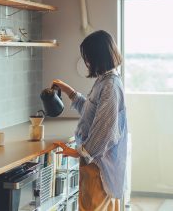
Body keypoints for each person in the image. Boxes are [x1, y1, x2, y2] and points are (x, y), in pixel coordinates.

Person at [53, 30, 128, 211]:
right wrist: (68, 90)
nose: (86, 62)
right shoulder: (105, 80)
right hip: (97, 165)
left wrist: (78, 152)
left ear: (97, 57)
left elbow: (104, 130)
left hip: (99, 168)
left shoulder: (110, 86)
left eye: (88, 57)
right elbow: (91, 112)